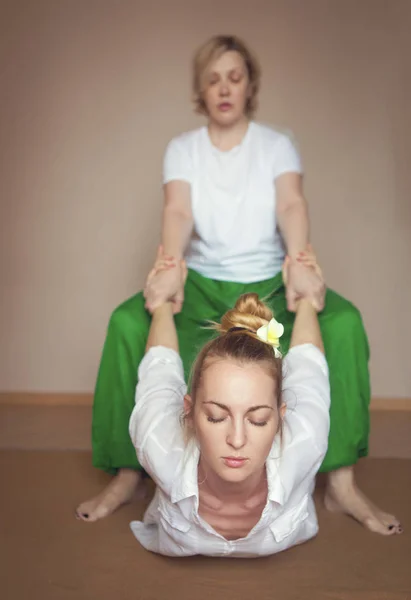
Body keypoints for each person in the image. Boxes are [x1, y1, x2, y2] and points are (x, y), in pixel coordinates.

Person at [76, 34, 401, 535]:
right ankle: (127, 472)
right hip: (203, 283)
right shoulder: (182, 149)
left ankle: (341, 481)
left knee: (343, 322)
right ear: (200, 91)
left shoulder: (276, 143)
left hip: (269, 284)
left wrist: (299, 261)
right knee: (126, 321)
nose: (224, 88)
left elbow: (291, 203)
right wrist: (169, 265)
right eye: (213, 79)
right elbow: (178, 210)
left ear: (250, 86)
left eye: (234, 77)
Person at [127, 253, 330, 557]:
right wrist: (162, 302)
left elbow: (309, 368)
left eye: (258, 420)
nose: (236, 440)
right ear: (190, 412)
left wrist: (306, 298)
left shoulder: (306, 441)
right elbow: (159, 369)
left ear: (280, 417)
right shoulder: (158, 444)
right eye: (216, 416)